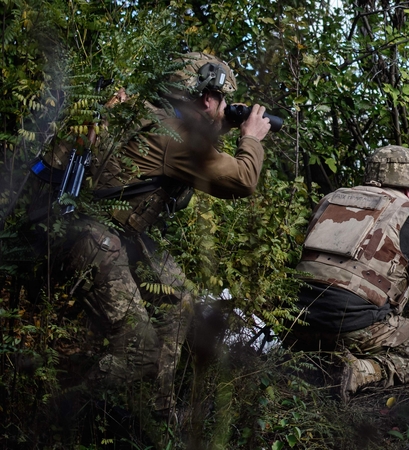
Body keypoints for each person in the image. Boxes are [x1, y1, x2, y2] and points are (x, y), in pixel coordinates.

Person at [61, 52, 273, 414]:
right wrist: (250, 137)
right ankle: (58, 417)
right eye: (224, 103)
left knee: (178, 299)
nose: (225, 112)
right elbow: (243, 180)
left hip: (107, 232)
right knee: (139, 352)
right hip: (94, 240)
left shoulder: (143, 114)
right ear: (208, 98)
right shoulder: (174, 137)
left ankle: (156, 410)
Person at [285, 145, 409, 401]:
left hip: (296, 321)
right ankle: (364, 371)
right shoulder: (408, 215)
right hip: (352, 327)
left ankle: (312, 355)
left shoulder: (332, 200)